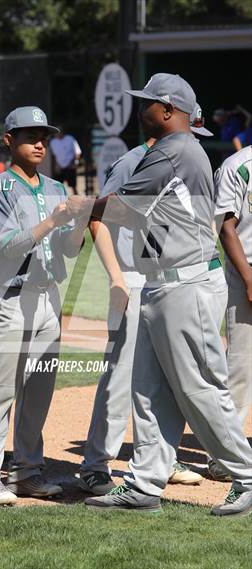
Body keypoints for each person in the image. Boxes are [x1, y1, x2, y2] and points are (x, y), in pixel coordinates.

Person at [70, 73, 252, 517]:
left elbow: (119, 207)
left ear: (169, 111)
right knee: (149, 390)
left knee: (200, 387)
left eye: (147, 103)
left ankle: (246, 475)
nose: (140, 109)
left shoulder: (175, 151)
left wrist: (74, 207)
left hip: (185, 284)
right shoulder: (175, 150)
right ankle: (145, 483)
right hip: (162, 283)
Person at [78, 102, 213, 496]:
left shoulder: (180, 162)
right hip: (133, 281)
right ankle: (95, 464)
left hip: (166, 283)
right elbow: (97, 217)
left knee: (166, 379)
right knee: (121, 377)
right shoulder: (132, 162)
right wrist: (116, 277)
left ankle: (160, 460)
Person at [0, 107, 87, 506]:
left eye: (44, 135)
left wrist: (82, 221)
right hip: (12, 298)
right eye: (29, 135)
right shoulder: (0, 188)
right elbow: (4, 249)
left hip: (48, 299)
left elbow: (70, 249)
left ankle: (26, 471)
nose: (39, 142)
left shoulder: (55, 186)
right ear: (9, 141)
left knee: (38, 391)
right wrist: (52, 222)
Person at [212, 144, 252, 478]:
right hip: (247, 272)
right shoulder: (238, 166)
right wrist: (249, 278)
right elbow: (227, 227)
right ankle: (225, 456)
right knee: (241, 365)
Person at [49, 131, 82, 195]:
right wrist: (56, 166)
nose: (57, 134)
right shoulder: (53, 142)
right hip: (60, 168)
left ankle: (77, 201)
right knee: (57, 186)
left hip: (71, 167)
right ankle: (58, 201)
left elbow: (77, 152)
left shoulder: (70, 138)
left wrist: (75, 163)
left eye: (59, 132)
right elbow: (54, 156)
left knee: (73, 186)